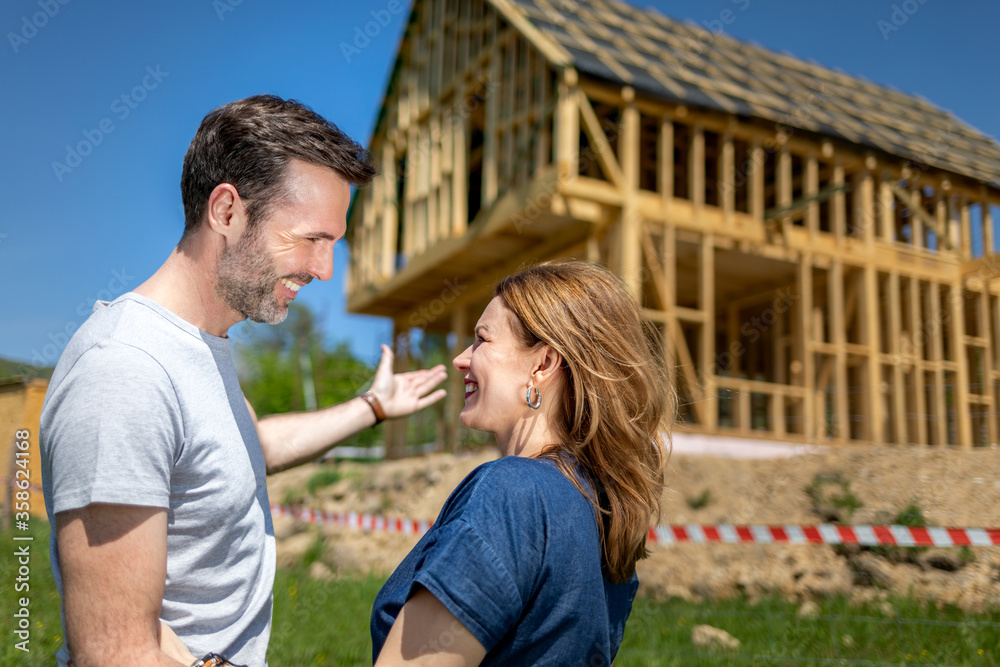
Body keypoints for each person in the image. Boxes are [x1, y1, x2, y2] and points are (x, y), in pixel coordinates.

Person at [40, 95, 447, 667]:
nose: (325, 270)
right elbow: (115, 653)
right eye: (311, 239)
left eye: (335, 242)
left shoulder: (199, 347)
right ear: (227, 211)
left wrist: (372, 408)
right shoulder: (126, 371)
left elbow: (243, 450)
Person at [370, 260, 671, 666]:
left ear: (543, 364)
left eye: (481, 340)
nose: (462, 359)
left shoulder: (513, 493)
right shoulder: (601, 508)